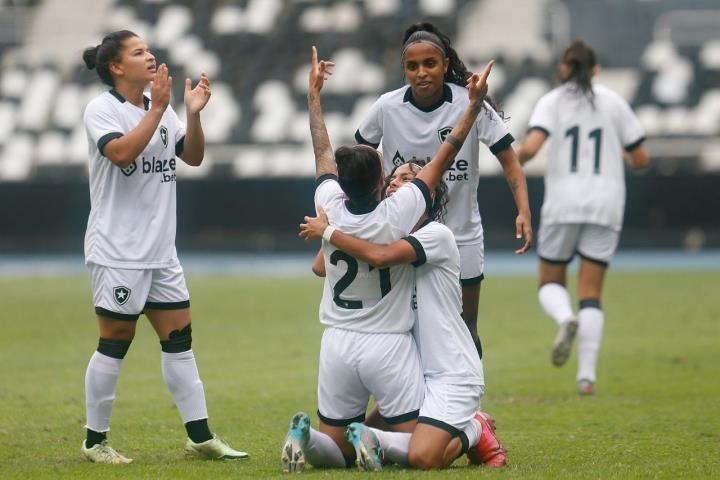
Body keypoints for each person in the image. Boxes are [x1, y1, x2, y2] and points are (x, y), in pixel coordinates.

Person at [280, 46, 493, 472]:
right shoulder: (396, 215)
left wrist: (314, 97)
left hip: (336, 341)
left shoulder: (329, 202)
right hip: (387, 345)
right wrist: (471, 108)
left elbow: (321, 151)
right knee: (417, 445)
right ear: (382, 181)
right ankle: (382, 437)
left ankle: (306, 439)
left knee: (336, 449)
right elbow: (446, 153)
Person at [80, 30, 247, 463]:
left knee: (179, 339)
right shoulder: (102, 109)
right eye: (139, 52)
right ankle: (94, 441)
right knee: (116, 339)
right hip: (118, 249)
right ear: (117, 67)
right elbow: (120, 154)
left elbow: (191, 156)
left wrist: (191, 115)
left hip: (161, 251)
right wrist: (157, 109)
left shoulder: (160, 109)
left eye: (148, 49)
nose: (150, 56)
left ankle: (200, 435)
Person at [299, 160, 508, 470]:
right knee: (356, 444)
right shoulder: (385, 231)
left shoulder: (435, 235)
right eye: (392, 178)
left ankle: (476, 427)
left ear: (426, 193)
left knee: (422, 457)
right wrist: (344, 224)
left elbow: (380, 257)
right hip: (413, 363)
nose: (395, 184)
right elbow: (320, 267)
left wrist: (330, 230)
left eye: (407, 179)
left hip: (448, 368)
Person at [354, 22, 533, 358]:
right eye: (412, 66)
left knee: (466, 326)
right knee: (405, 326)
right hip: (404, 238)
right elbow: (361, 162)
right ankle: (409, 405)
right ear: (404, 69)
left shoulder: (470, 103)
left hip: (462, 235)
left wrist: (523, 210)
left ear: (445, 65)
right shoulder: (386, 107)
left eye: (430, 64)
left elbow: (510, 161)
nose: (421, 73)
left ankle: (471, 407)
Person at [516, 40, 649, 395]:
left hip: (563, 203)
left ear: (563, 68)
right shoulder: (614, 102)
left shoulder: (551, 101)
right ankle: (586, 378)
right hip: (605, 204)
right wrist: (617, 152)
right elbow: (642, 158)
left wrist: (508, 159)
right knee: (591, 293)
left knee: (549, 282)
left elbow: (530, 149)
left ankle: (565, 318)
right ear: (596, 70)